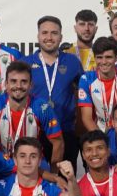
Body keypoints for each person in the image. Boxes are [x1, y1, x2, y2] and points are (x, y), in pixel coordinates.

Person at [0, 62, 64, 164]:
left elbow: (57, 141)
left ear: (31, 85)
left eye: (24, 82)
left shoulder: (42, 107)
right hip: (2, 161)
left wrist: (54, 175)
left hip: (32, 162)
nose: (18, 86)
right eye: (13, 81)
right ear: (6, 84)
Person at [27, 16, 83, 166]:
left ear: (61, 37)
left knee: (64, 182)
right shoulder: (25, 63)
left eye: (54, 33)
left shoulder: (72, 61)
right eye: (44, 33)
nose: (49, 37)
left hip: (65, 132)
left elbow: (84, 95)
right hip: (34, 133)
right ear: (38, 36)